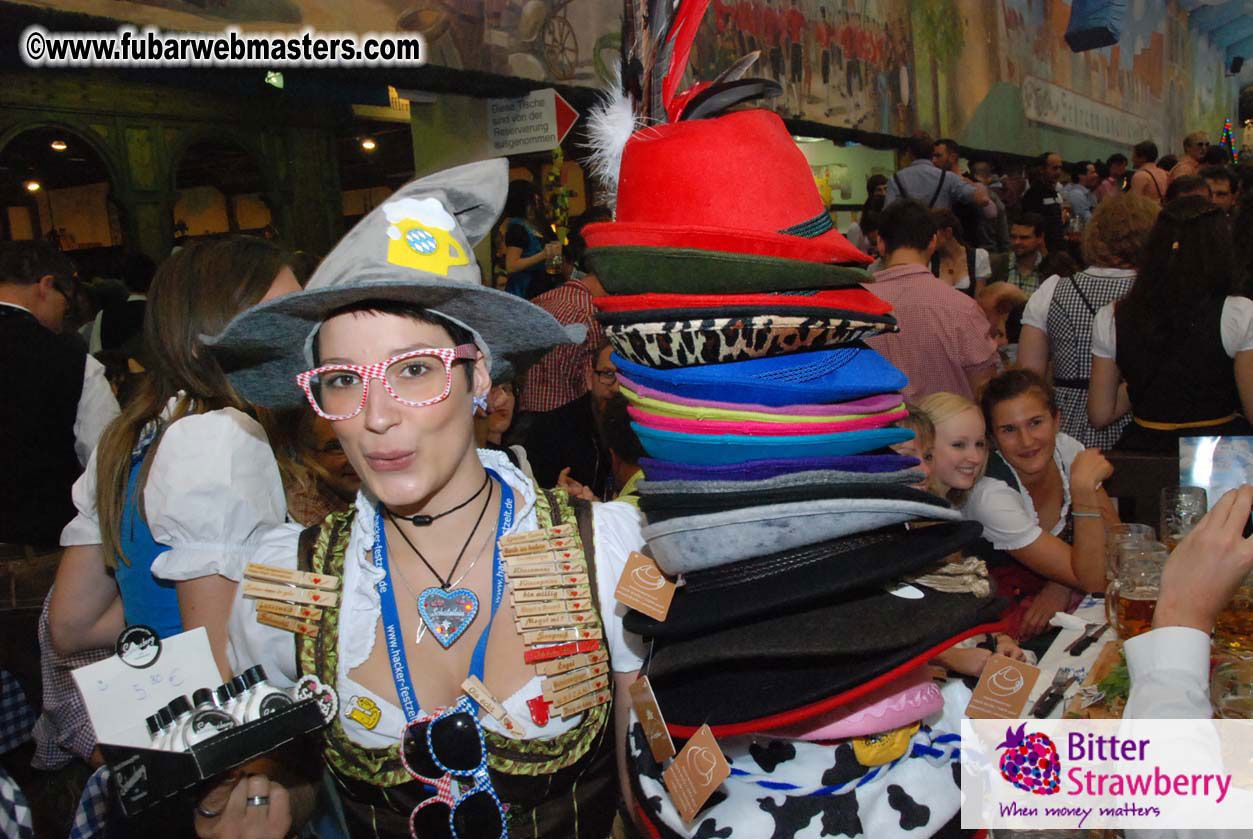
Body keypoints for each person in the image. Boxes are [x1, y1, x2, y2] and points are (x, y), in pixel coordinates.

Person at [193, 160, 645, 839]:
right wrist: (277, 796)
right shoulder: (292, 579)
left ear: (477, 377)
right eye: (344, 379)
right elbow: (298, 777)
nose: (376, 416)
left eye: (413, 370)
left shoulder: (603, 551)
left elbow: (647, 783)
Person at [49, 238, 301, 684]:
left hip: (164, 712)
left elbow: (73, 626)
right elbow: (226, 667)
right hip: (222, 728)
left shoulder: (133, 437)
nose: (303, 337)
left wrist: (161, 605)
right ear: (207, 334)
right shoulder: (222, 436)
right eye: (277, 320)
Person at [961, 370, 1117, 647]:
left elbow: (1116, 544)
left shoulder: (1067, 450)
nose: (1027, 441)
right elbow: (1095, 581)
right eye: (1009, 429)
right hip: (1000, 630)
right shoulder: (989, 495)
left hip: (1066, 605)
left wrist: (1062, 584)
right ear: (993, 439)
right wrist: (1082, 491)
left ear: (1057, 420)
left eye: (1035, 423)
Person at [1089, 195, 1253, 451]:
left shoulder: (1113, 315)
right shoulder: (1239, 313)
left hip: (1145, 456)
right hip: (1218, 457)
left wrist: (1151, 378)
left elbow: (1100, 414)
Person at [1018, 194, 1159, 449]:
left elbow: (1028, 380)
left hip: (1065, 429)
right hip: (1138, 424)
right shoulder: (1155, 294)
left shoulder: (1052, 291)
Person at [864, 199, 998, 402]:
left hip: (874, 430)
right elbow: (984, 388)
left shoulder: (852, 305)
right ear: (933, 242)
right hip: (948, 430)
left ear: (881, 243)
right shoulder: (963, 308)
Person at [883, 134, 992, 212]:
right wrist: (972, 183)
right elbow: (982, 199)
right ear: (931, 153)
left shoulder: (896, 179)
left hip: (908, 239)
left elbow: (887, 214)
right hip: (940, 237)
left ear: (910, 153)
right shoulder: (948, 178)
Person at [501, 179, 560, 299]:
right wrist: (543, 255)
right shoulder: (517, 228)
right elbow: (511, 265)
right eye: (534, 198)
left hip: (543, 286)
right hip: (525, 289)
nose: (537, 201)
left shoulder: (535, 225)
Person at [929, 207, 991, 297]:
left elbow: (980, 300)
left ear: (948, 232)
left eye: (933, 233)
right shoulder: (928, 259)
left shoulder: (979, 256)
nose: (929, 238)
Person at [992, 211, 1049, 294]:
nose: (1016, 242)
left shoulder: (1049, 268)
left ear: (1040, 238)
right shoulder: (997, 264)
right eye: (1013, 237)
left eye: (1024, 238)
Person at [1021, 152, 1066, 253]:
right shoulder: (1034, 194)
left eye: (1060, 168)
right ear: (1042, 169)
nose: (1058, 172)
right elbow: (1032, 226)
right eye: (1054, 168)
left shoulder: (1053, 192)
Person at [1129, 140, 1169, 206]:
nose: (1132, 159)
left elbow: (1134, 204)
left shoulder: (1140, 176)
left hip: (1147, 214)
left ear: (1143, 158)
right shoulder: (1165, 173)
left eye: (1134, 156)